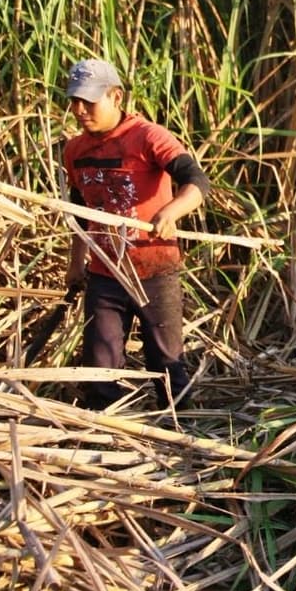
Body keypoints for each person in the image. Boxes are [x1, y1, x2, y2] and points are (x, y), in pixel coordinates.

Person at [62, 59, 210, 410]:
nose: (80, 110)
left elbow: (197, 181)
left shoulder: (147, 137)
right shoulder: (74, 151)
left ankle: (181, 432)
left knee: (166, 363)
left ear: (116, 97)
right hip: (105, 273)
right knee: (99, 367)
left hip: (154, 269)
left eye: (89, 101)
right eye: (74, 101)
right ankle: (105, 435)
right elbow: (80, 213)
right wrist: (75, 264)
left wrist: (170, 211)